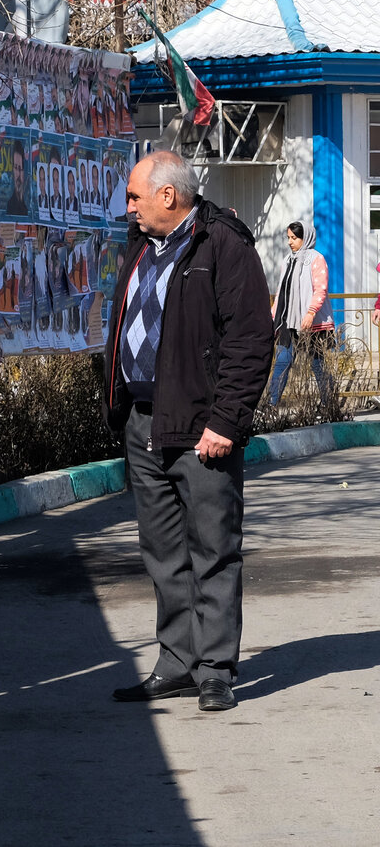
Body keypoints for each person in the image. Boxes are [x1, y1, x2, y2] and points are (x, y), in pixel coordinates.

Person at [103, 150, 272, 712]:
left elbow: (249, 340)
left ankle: (216, 670)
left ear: (168, 196)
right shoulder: (141, 247)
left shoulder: (223, 244)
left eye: (134, 197)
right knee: (162, 552)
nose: (128, 208)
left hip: (202, 429)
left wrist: (227, 421)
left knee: (214, 550)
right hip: (144, 422)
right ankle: (177, 662)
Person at [267, 221, 334, 409]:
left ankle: (328, 404)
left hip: (312, 323)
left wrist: (310, 313)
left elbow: (320, 289)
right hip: (288, 322)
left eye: (294, 238)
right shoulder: (288, 260)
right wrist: (273, 317)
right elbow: (282, 292)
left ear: (306, 238)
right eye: (288, 238)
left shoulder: (316, 259)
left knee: (317, 365)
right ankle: (272, 405)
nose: (290, 242)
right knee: (282, 363)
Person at [5, 141, 28, 217]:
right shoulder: (10, 204)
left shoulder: (31, 202)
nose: (18, 174)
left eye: (21, 169)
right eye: (15, 168)